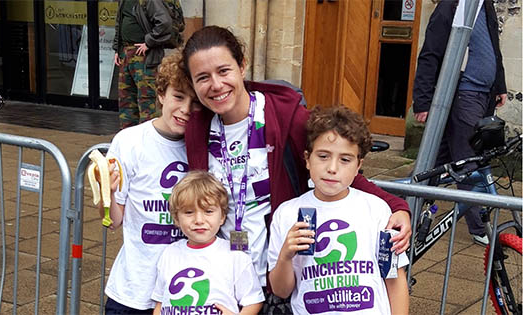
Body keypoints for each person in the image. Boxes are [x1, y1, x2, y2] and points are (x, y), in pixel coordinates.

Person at [181, 25, 411, 313]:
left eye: (224, 71)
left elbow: (338, 164)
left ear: (242, 66)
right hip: (223, 278)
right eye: (202, 77)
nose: (215, 85)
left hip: (274, 279)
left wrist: (396, 206)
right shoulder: (197, 128)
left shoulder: (282, 116)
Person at [268, 106, 409, 314]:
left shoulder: (377, 210)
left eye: (345, 159)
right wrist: (285, 256)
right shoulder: (287, 213)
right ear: (307, 159)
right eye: (323, 156)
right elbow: (281, 290)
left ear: (358, 165)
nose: (332, 168)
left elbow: (394, 279)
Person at [99, 52, 200, 313]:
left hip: (186, 294)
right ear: (161, 94)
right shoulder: (129, 142)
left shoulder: (204, 147)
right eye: (178, 96)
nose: (186, 110)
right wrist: (106, 195)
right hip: (134, 290)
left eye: (195, 102)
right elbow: (114, 221)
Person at [412, 0, 506, 246]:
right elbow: (430, 54)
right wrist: (422, 101)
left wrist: (500, 85)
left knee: (437, 160)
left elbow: (494, 48)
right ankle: (479, 226)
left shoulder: (485, 5)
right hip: (464, 94)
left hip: (484, 95)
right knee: (469, 162)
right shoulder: (451, 6)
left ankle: (408, 205)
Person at [152, 171, 264, 315]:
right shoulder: (169, 253)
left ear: (222, 216)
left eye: (208, 211)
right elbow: (160, 303)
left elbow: (253, 301)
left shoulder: (236, 256)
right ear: (176, 218)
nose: (199, 220)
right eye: (189, 212)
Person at [113, 0, 179, 129]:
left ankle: (147, 139)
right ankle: (127, 139)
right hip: (125, 54)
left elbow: (165, 23)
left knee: (146, 101)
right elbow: (119, 23)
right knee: (126, 100)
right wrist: (117, 49)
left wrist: (149, 42)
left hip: (143, 56)